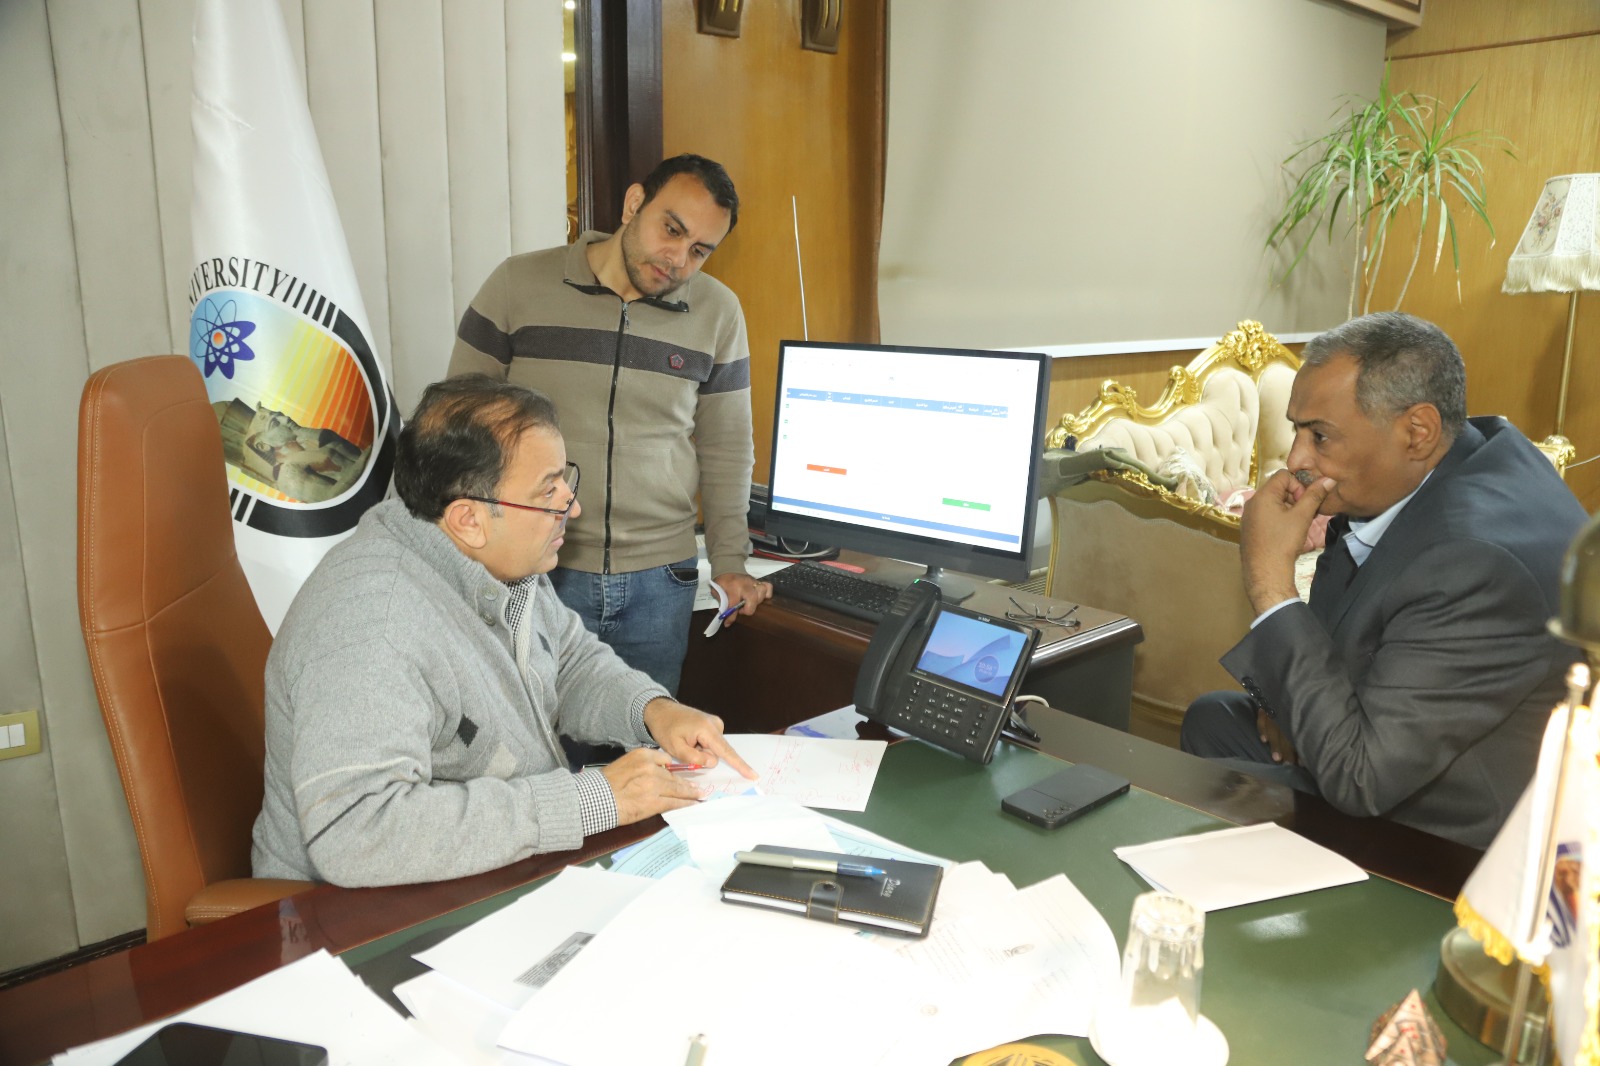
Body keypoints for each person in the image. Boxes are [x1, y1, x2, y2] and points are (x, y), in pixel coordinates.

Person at [251, 375, 756, 887]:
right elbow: (356, 833)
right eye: (548, 491)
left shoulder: (495, 558)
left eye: (565, 480)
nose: (572, 507)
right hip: (357, 908)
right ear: (468, 519)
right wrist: (592, 800)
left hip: (488, 865)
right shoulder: (372, 628)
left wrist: (651, 711)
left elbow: (568, 662)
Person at [1180, 312, 1586, 849]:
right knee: (1212, 719)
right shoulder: (1462, 453)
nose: (1297, 459)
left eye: (1320, 436)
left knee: (1201, 787)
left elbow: (1359, 779)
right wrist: (1283, 702)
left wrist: (1269, 583)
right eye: (1297, 429)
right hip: (1393, 740)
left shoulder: (1473, 562)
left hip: (1449, 830)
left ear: (1417, 432)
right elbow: (1340, 636)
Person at [447, 154, 770, 696]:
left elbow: (727, 447)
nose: (678, 259)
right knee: (534, 741)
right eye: (672, 230)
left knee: (646, 737)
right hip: (536, 569)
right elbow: (456, 425)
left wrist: (731, 560)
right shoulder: (517, 284)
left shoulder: (719, 312)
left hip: (661, 583)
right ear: (633, 203)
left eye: (699, 250)